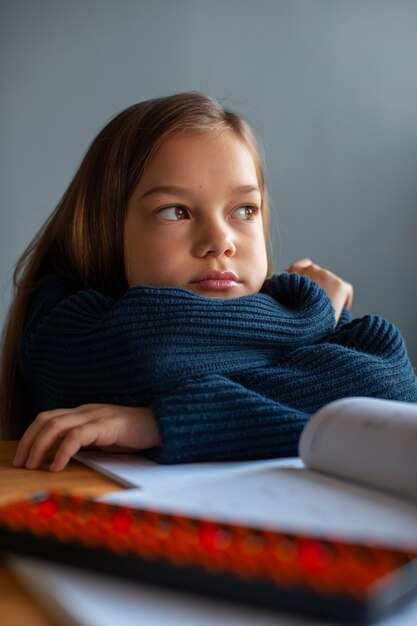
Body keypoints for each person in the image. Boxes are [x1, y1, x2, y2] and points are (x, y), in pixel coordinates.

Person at [1, 92, 416, 472]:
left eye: (245, 211)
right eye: (175, 212)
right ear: (105, 229)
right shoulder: (62, 323)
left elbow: (390, 387)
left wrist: (162, 422)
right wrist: (311, 318)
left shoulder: (277, 307)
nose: (220, 242)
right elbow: (150, 353)